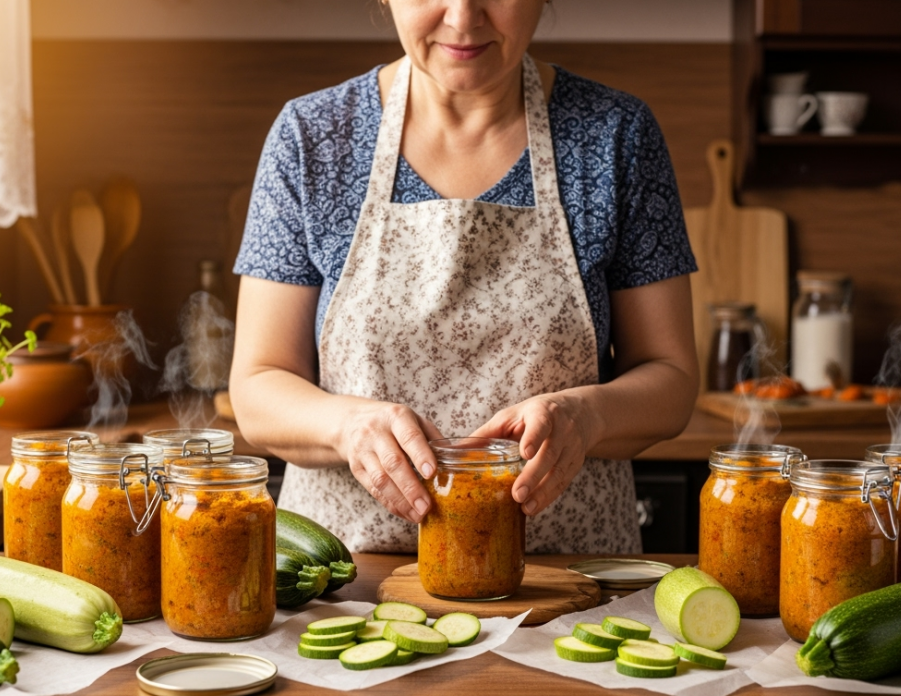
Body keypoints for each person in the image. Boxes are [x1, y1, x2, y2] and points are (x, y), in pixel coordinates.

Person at [230, 0, 698, 554]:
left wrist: (586, 416)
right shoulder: (312, 138)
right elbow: (258, 386)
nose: (462, 16)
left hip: (566, 586)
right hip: (347, 587)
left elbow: (670, 377)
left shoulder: (616, 136)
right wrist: (347, 426)